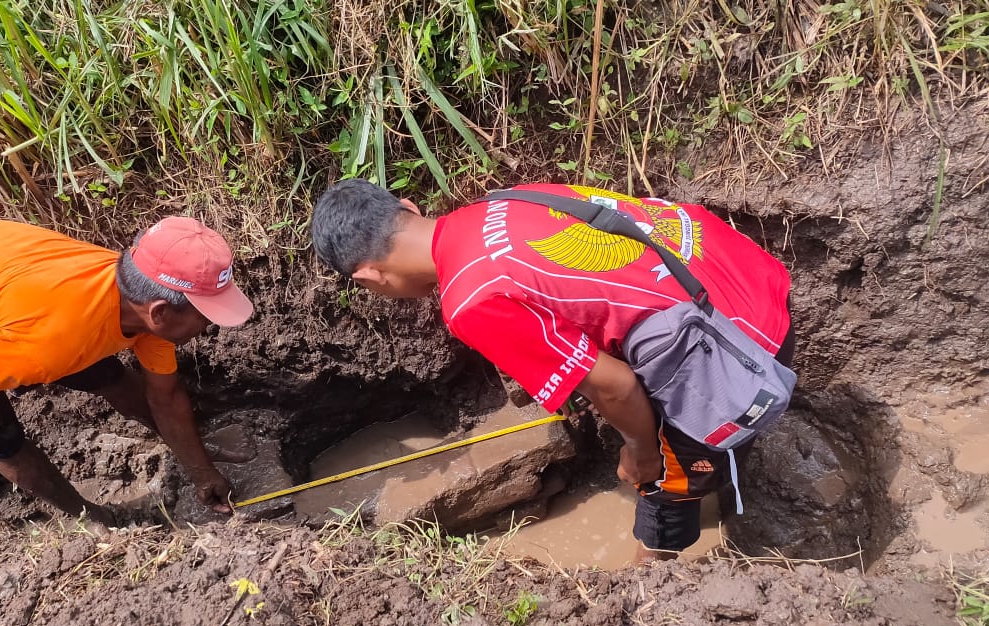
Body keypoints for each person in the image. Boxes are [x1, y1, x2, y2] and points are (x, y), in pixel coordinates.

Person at [310, 180, 793, 560]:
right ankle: (728, 477)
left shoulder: (469, 300)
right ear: (410, 208)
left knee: (666, 477)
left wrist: (642, 452)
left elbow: (617, 385)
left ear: (368, 278)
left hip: (739, 353)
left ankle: (655, 578)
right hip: (743, 276)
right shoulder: (498, 203)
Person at [0, 216, 254, 524]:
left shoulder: (135, 299)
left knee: (111, 377)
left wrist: (200, 469)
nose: (210, 325)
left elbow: (163, 396)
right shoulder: (47, 342)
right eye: (205, 315)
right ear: (160, 312)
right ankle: (88, 517)